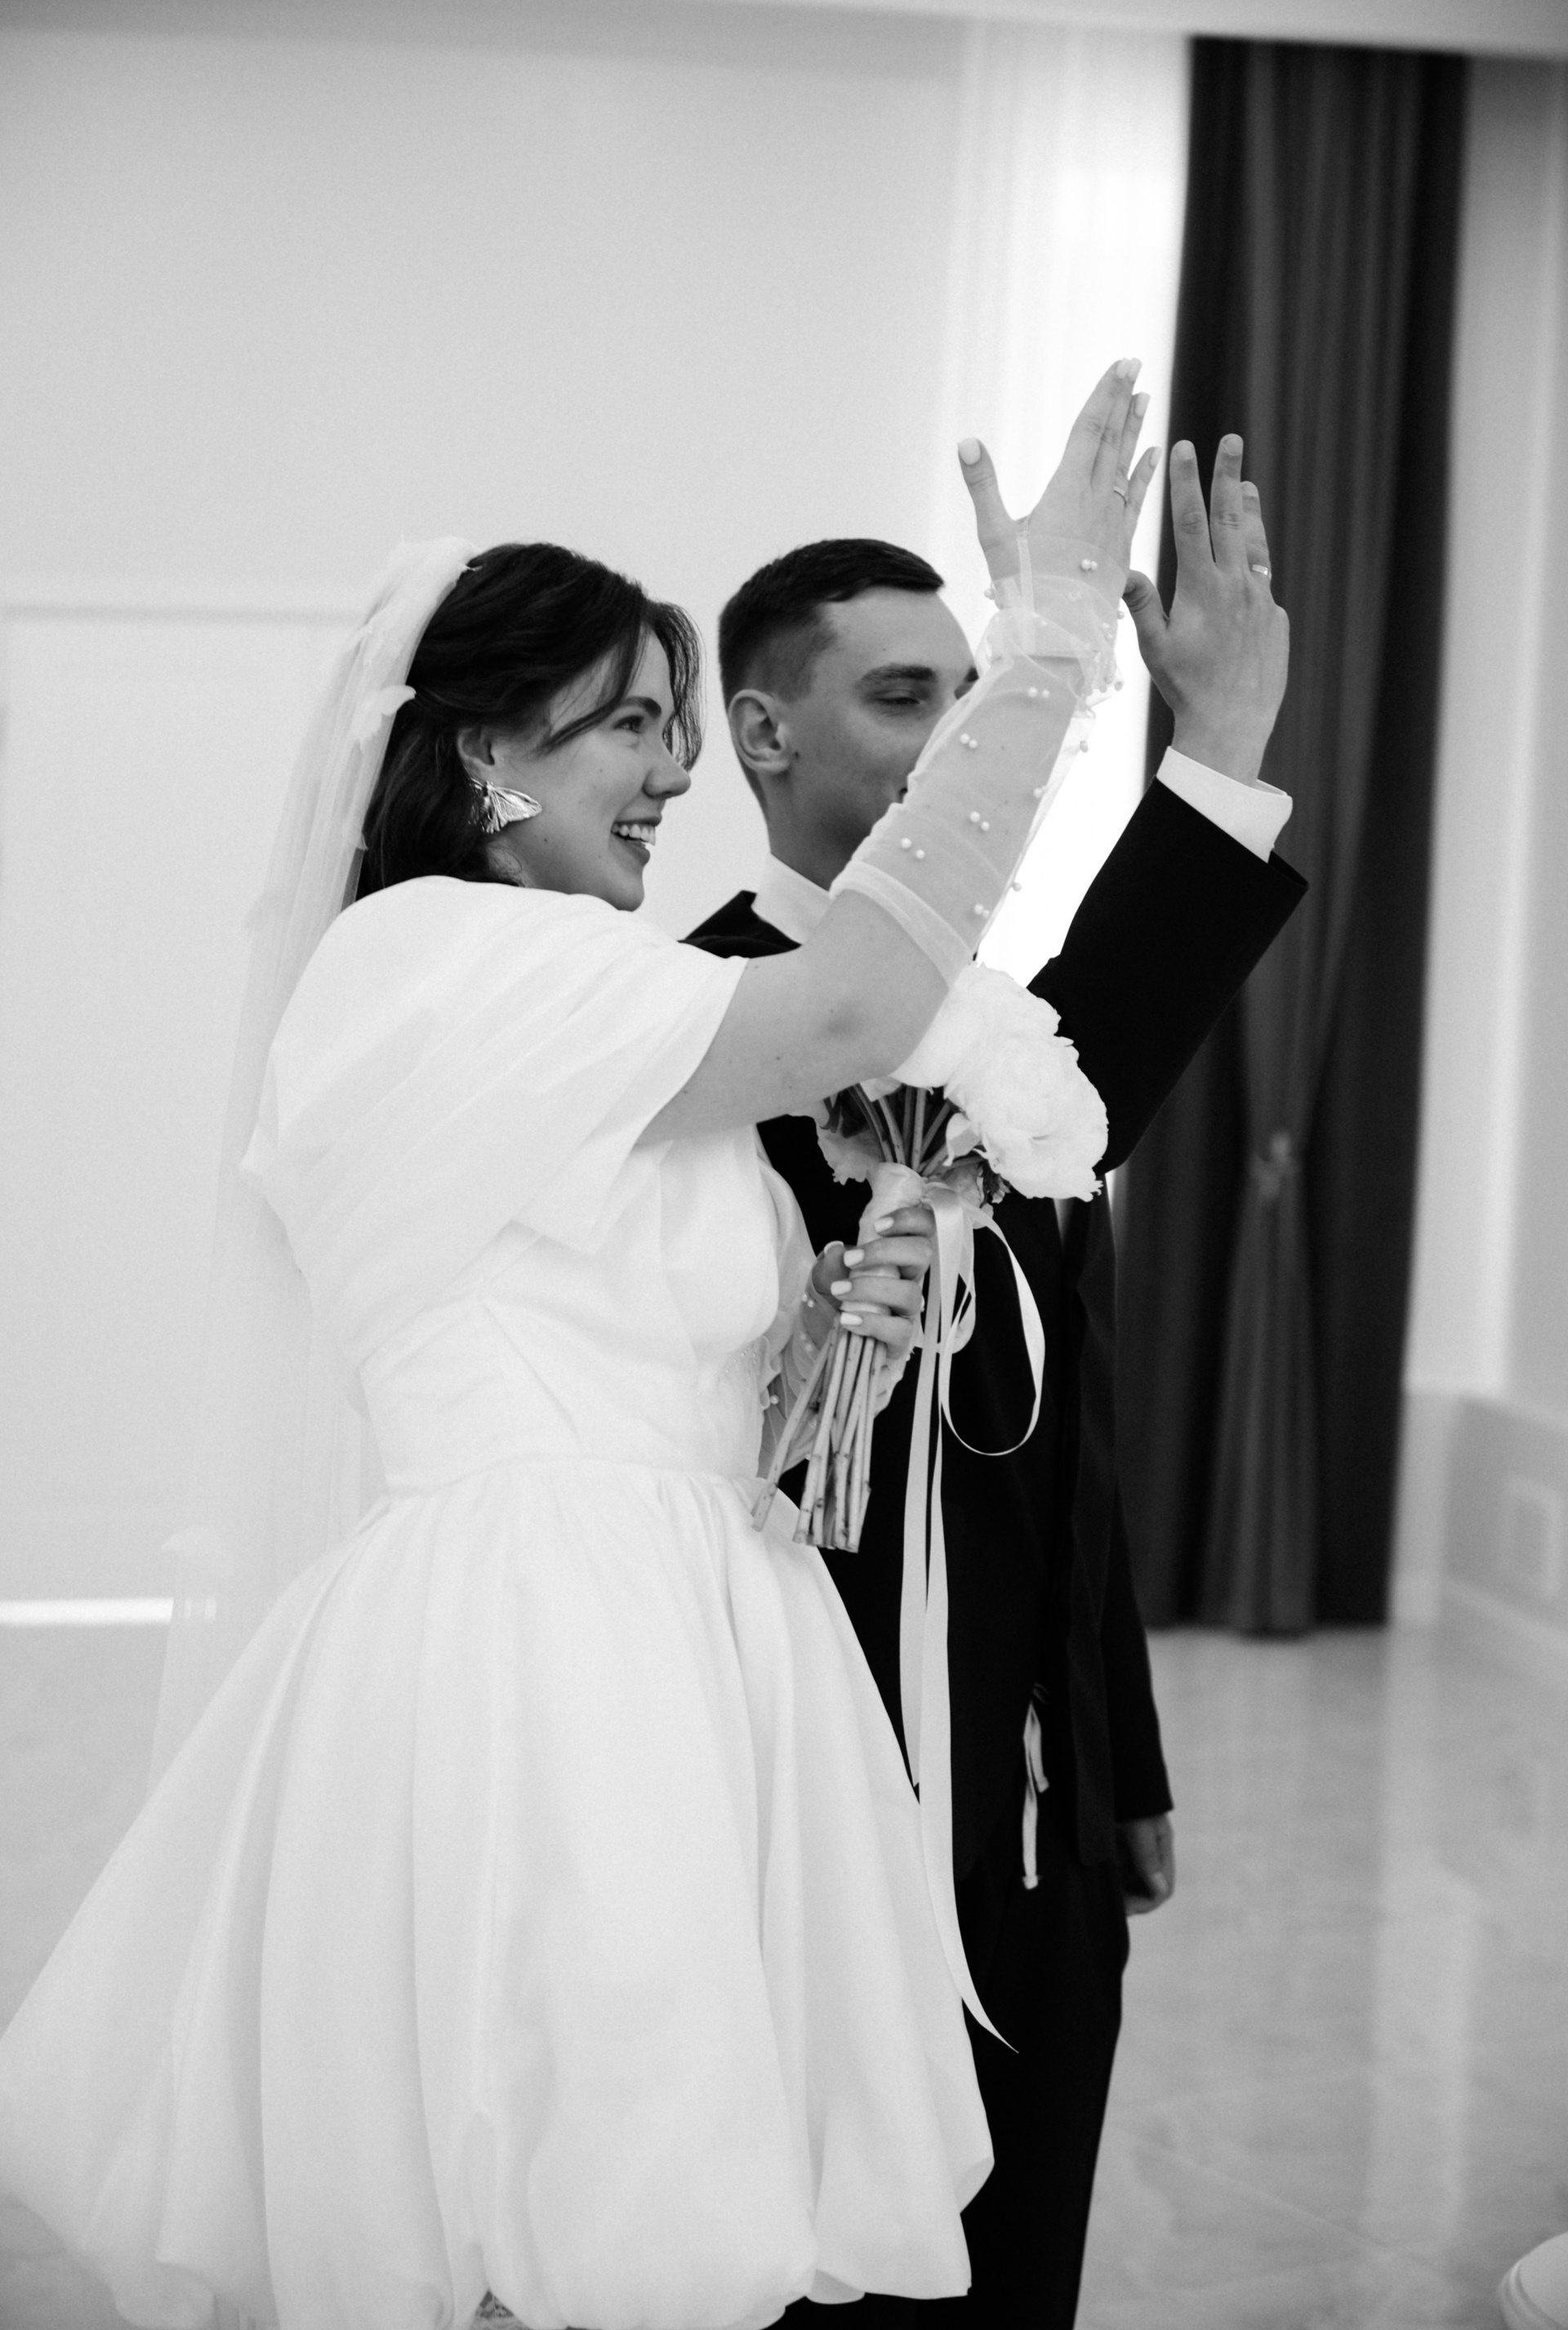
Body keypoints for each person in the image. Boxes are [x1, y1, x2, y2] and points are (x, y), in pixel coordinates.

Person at [0, 363, 1164, 2330]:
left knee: (660, 2203)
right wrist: (1044, 653)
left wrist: (832, 1344)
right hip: (549, 1655)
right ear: (480, 752)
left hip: (704, 1616)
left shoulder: (586, 987)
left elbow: (656, 1349)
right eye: (633, 722)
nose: (673, 774)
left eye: (676, 732)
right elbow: (851, 1008)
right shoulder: (428, 960)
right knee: (583, 2197)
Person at [690, 426, 1303, 2328]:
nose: (965, 738)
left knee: (1016, 2252)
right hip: (776, 1794)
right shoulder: (688, 1025)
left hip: (1027, 1811)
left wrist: (1116, 1753)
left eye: (980, 695)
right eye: (906, 697)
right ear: (761, 733)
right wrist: (1211, 762)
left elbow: (1069, 1429)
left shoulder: (1006, 1036)